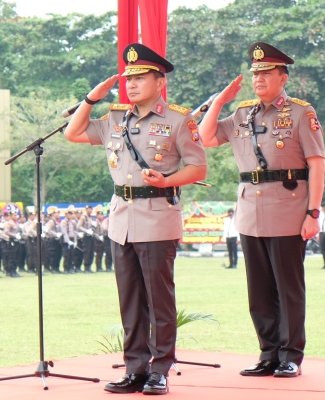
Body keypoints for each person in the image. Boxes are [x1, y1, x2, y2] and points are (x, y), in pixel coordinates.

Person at [65, 42, 207, 395]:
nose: (130, 85)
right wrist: (91, 98)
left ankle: (160, 369)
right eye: (127, 79)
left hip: (158, 216)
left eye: (140, 78)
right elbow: (72, 133)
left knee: (159, 301)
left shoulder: (178, 119)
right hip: (121, 220)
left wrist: (168, 180)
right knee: (129, 300)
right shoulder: (114, 118)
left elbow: (198, 166)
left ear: (159, 82)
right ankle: (135, 369)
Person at [198, 42, 323, 378]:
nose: (259, 79)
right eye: (255, 74)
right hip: (250, 212)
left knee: (288, 288)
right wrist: (220, 102)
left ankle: (291, 355)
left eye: (266, 73)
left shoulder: (300, 112)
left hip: (289, 211)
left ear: (283, 77)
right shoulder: (242, 114)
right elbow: (205, 137)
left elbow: (316, 164)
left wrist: (314, 213)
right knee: (260, 292)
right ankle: (268, 353)